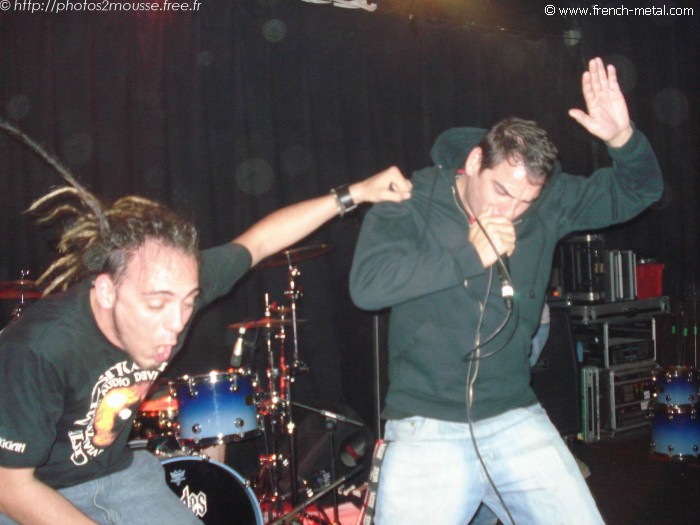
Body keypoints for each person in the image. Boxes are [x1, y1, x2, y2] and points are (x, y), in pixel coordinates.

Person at [0, 138, 412, 525]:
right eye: (157, 305)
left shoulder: (177, 286)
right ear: (106, 291)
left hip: (117, 474)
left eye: (188, 302)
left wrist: (355, 193)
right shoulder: (40, 349)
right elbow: (11, 487)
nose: (177, 323)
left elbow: (259, 243)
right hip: (37, 490)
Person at [349, 57, 663, 524]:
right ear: (475, 162)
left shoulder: (548, 203)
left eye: (525, 200)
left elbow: (640, 191)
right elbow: (367, 287)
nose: (512, 211)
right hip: (424, 422)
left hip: (514, 413)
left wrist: (623, 139)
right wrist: (469, 255)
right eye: (501, 192)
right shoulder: (410, 198)